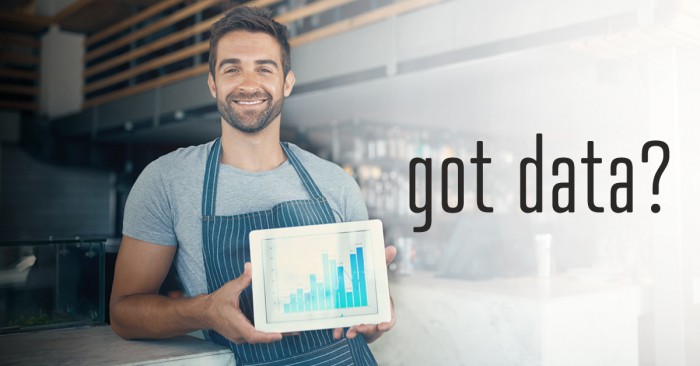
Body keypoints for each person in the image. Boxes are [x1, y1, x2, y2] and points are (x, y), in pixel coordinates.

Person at [110, 6, 395, 365]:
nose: (248, 84)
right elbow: (124, 313)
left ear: (286, 83)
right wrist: (202, 310)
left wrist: (378, 307)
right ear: (213, 83)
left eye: (264, 68)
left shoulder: (335, 182)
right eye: (232, 69)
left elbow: (365, 301)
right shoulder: (165, 181)